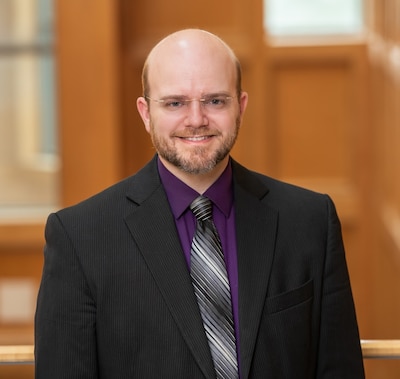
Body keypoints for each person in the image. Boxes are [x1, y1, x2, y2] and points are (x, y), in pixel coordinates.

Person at [35, 29, 365, 378]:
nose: (196, 119)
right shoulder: (79, 238)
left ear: (241, 106)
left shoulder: (310, 221)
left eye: (215, 101)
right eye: (175, 103)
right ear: (146, 113)